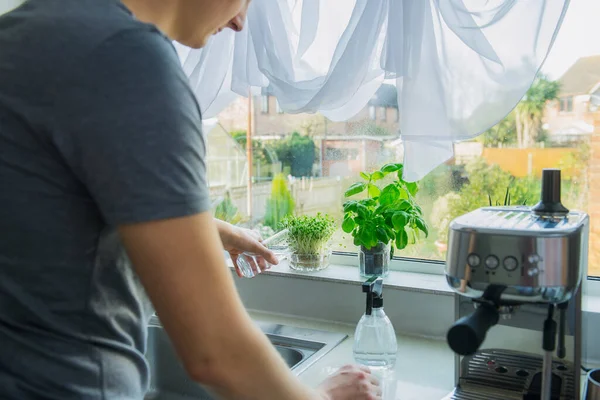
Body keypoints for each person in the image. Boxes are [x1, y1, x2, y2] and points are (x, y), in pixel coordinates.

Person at [0, 0, 382, 399]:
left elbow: (43, 202)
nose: (239, 21)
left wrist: (204, 229)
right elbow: (214, 352)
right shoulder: (124, 57)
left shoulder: (22, 36)